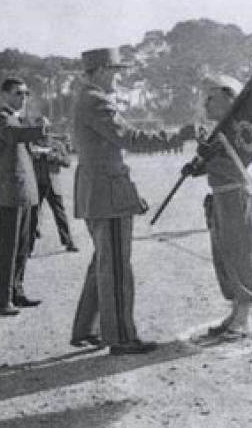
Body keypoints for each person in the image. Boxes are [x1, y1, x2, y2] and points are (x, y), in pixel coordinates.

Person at [70, 47, 157, 355]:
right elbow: (129, 139)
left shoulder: (88, 99)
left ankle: (87, 329)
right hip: (107, 194)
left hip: (103, 191)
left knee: (103, 263)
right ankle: (120, 337)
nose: (119, 77)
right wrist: (177, 136)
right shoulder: (97, 101)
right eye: (116, 71)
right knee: (116, 267)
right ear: (102, 70)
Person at [182, 74, 252, 342]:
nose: (206, 105)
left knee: (238, 254)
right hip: (220, 197)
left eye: (211, 98)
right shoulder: (219, 130)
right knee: (223, 255)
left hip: (236, 196)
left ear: (228, 98)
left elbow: (239, 162)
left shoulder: (241, 127)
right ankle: (235, 309)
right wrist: (199, 165)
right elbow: (215, 160)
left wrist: (209, 157)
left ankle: (244, 316)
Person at [0, 77, 46, 315]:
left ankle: (17, 292)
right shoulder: (1, 118)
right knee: (8, 247)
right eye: (18, 93)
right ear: (4, 95)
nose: (23, 98)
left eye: (26, 93)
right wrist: (40, 129)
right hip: (11, 193)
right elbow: (14, 136)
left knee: (23, 246)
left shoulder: (15, 119)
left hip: (24, 192)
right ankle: (3, 300)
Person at [29, 132, 78, 254]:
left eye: (45, 127)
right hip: (37, 184)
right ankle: (27, 247)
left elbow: (67, 162)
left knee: (60, 214)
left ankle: (68, 242)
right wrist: (34, 156)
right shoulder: (31, 144)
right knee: (33, 216)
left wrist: (55, 157)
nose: (43, 131)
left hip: (53, 185)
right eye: (40, 127)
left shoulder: (57, 144)